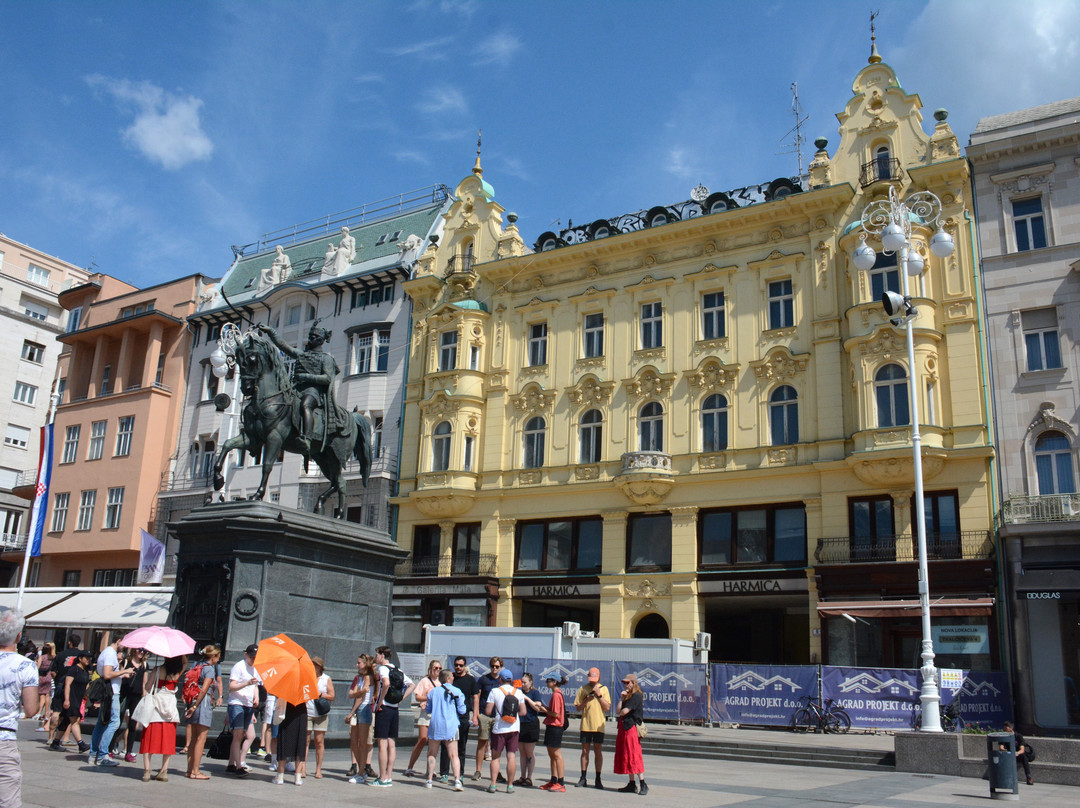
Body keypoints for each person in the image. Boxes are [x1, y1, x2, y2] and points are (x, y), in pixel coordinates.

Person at [259, 322, 347, 457]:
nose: (309, 340)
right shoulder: (302, 354)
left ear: (320, 340)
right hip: (296, 389)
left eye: (313, 337)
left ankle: (307, 438)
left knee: (306, 405)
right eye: (310, 337)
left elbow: (327, 378)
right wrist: (271, 331)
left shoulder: (326, 358)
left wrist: (305, 376)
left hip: (313, 391)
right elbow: (283, 346)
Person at [0, 609, 39, 808]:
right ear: (18, 636)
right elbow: (31, 710)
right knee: (8, 800)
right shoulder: (25, 666)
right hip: (3, 739)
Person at [368, 645, 415, 787]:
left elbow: (386, 683)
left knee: (382, 744)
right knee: (391, 744)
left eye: (377, 654)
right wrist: (400, 699)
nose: (376, 657)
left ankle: (382, 778)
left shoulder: (383, 669)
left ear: (382, 655)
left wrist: (379, 702)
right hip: (394, 709)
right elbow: (412, 685)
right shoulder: (398, 670)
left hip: (384, 709)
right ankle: (388, 776)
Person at [139, 655, 184, 782]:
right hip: (170, 707)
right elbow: (185, 662)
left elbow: (148, 687)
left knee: (149, 739)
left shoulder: (158, 669)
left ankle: (147, 771)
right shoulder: (178, 672)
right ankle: (164, 771)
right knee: (168, 741)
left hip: (156, 707)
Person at [90, 635, 133, 766]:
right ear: (118, 641)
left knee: (102, 723)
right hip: (111, 693)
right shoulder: (110, 653)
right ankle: (103, 755)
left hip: (109, 691)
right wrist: (124, 671)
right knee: (114, 722)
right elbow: (107, 674)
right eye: (124, 644)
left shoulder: (108, 653)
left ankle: (94, 754)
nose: (124, 647)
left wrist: (122, 674)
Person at [484, 667, 525, 793]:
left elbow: (488, 711)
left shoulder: (494, 691)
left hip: (499, 729)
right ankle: (510, 785)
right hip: (514, 728)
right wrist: (513, 714)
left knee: (495, 757)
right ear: (511, 680)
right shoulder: (518, 692)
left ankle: (493, 785)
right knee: (511, 757)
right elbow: (523, 712)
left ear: (500, 680)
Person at [183, 644, 221, 780]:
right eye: (218, 657)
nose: (219, 659)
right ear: (213, 657)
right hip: (202, 704)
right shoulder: (209, 669)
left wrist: (192, 706)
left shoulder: (198, 665)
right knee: (201, 738)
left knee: (193, 738)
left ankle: (189, 770)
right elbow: (204, 690)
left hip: (193, 702)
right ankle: (196, 771)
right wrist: (195, 706)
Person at [425, 668, 465, 790]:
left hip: (435, 724)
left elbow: (428, 709)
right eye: (452, 677)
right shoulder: (457, 691)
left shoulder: (433, 692)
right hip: (451, 725)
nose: (453, 678)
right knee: (454, 755)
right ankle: (457, 780)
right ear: (448, 679)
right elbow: (462, 710)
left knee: (432, 753)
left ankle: (429, 779)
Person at [440, 655, 478, 783]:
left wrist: (475, 715)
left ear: (465, 666)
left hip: (463, 716)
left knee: (461, 746)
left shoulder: (470, 680)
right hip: (449, 716)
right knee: (445, 745)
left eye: (461, 665)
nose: (458, 667)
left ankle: (460, 773)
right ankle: (444, 773)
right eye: (456, 665)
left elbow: (475, 698)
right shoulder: (450, 678)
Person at [404, 658, 442, 777]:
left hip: (436, 714)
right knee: (422, 739)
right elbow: (418, 697)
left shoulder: (441, 683)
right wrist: (429, 698)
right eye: (435, 668)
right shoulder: (424, 681)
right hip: (426, 713)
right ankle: (410, 767)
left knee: (433, 742)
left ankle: (430, 769)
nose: (437, 670)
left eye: (439, 668)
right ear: (430, 669)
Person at [574, 666, 611, 789]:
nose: (592, 682)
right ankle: (583, 777)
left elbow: (607, 707)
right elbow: (578, 708)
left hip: (598, 725)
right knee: (585, 751)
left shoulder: (604, 689)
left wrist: (599, 695)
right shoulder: (583, 689)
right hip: (586, 724)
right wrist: (586, 700)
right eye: (590, 679)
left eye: (594, 679)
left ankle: (598, 778)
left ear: (599, 678)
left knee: (598, 750)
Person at [226, 644, 260, 776]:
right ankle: (238, 766)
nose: (253, 660)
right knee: (238, 734)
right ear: (246, 654)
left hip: (248, 704)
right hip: (237, 703)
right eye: (252, 657)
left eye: (256, 658)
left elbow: (255, 685)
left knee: (241, 735)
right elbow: (231, 686)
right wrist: (246, 683)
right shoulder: (239, 666)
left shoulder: (256, 668)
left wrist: (256, 697)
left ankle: (231, 764)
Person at [614, 673, 647, 794]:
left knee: (634, 755)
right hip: (624, 728)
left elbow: (624, 712)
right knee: (627, 755)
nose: (625, 685)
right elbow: (617, 710)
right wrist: (621, 699)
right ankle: (631, 783)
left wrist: (622, 707)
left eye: (628, 683)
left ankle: (643, 783)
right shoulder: (627, 696)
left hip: (631, 728)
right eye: (624, 683)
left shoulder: (636, 696)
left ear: (633, 683)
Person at [46, 635, 81, 749]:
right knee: (70, 715)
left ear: (69, 642)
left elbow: (53, 672)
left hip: (60, 685)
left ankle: (51, 737)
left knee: (56, 712)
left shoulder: (61, 655)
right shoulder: (81, 655)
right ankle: (65, 738)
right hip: (74, 687)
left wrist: (57, 680)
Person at [474, 656, 504, 780]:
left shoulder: (502, 680)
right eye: (492, 666)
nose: (494, 668)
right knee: (482, 742)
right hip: (485, 714)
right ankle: (478, 771)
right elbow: (477, 696)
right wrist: (476, 714)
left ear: (501, 667)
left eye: (497, 666)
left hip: (498, 716)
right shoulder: (484, 679)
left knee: (496, 745)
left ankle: (496, 772)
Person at [345, 654, 374, 783]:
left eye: (359, 663)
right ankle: (361, 769)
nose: (357, 665)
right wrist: (360, 692)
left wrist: (351, 712)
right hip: (358, 709)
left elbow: (361, 697)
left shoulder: (368, 677)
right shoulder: (359, 677)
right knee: (353, 742)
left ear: (365, 664)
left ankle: (361, 773)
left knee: (362, 742)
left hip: (364, 708)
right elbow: (352, 694)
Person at [305, 656, 334, 778]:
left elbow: (332, 696)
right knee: (305, 741)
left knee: (319, 741)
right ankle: (302, 768)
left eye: (315, 665)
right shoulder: (306, 677)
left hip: (321, 714)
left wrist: (320, 694)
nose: (312, 667)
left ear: (319, 667)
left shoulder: (326, 679)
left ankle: (318, 770)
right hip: (307, 712)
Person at [539, 675, 568, 791]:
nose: (547, 682)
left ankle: (561, 782)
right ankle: (554, 780)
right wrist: (545, 707)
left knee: (556, 755)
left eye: (549, 680)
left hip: (555, 727)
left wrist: (543, 709)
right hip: (552, 726)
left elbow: (555, 714)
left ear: (555, 682)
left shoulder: (556, 694)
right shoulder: (556, 694)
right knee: (552, 755)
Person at [119, 647, 149, 761]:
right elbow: (119, 675)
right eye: (139, 650)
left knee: (133, 725)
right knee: (117, 722)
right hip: (124, 694)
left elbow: (144, 682)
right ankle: (110, 749)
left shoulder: (144, 665)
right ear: (134, 651)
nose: (141, 653)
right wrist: (126, 674)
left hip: (136, 696)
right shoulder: (126, 662)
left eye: (143, 651)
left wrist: (144, 697)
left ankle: (129, 752)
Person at [274, 698, 307, 786]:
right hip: (301, 711)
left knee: (284, 742)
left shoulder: (286, 689)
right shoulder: (304, 689)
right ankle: (298, 777)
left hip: (287, 710)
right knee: (300, 742)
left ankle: (280, 776)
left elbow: (278, 696)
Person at [516, 672, 542, 787]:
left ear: (530, 683)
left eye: (525, 682)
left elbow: (537, 707)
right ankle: (522, 776)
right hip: (520, 723)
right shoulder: (518, 692)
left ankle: (529, 777)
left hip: (531, 724)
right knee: (522, 752)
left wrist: (526, 698)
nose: (522, 684)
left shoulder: (535, 693)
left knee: (529, 752)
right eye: (521, 682)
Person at [1003, 720, 1033, 785]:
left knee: (1024, 757)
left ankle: (1028, 777)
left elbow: (1022, 750)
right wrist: (1007, 751)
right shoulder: (1004, 737)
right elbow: (1001, 747)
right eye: (1004, 729)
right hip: (1009, 754)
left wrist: (1016, 753)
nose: (1004, 731)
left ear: (1011, 728)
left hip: (1017, 754)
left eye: (1006, 729)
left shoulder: (1018, 736)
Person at [35, 641, 55, 729]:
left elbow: (38, 667)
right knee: (47, 695)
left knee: (41, 695)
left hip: (42, 677)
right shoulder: (53, 658)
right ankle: (46, 712)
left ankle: (39, 712)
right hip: (49, 677)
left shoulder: (42, 657)